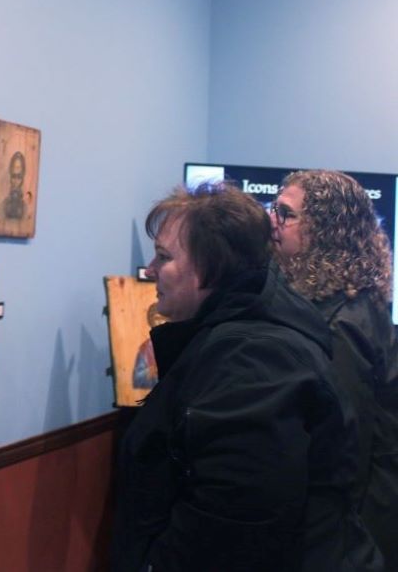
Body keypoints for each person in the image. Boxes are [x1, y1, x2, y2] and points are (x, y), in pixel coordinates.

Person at [112, 182, 374, 572]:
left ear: (209, 269)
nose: (149, 271)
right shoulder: (248, 334)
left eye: (164, 257)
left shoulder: (252, 359)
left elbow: (231, 525)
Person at [272, 170, 398, 570]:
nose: (272, 221)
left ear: (324, 229)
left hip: (354, 534)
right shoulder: (345, 303)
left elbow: (348, 448)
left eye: (284, 213)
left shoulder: (341, 323)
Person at [2, 151, 26, 219]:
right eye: (13, 176)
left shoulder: (25, 207)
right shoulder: (4, 205)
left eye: (19, 177)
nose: (15, 181)